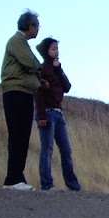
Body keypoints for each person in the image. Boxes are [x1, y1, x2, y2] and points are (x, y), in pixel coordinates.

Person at [0, 10, 43, 190]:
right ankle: (13, 180)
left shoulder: (23, 43)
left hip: (24, 93)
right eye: (37, 25)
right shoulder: (17, 41)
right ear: (29, 25)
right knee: (18, 135)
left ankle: (17, 177)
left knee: (22, 136)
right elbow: (30, 62)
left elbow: (33, 65)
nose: (38, 29)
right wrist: (38, 68)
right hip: (15, 93)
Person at [35, 37, 81, 191]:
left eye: (57, 48)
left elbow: (67, 87)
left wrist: (59, 69)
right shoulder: (41, 70)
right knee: (47, 149)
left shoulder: (57, 69)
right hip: (47, 113)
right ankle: (47, 185)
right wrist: (41, 116)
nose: (56, 51)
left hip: (59, 113)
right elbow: (38, 93)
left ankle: (73, 186)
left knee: (66, 150)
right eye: (53, 48)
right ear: (46, 51)